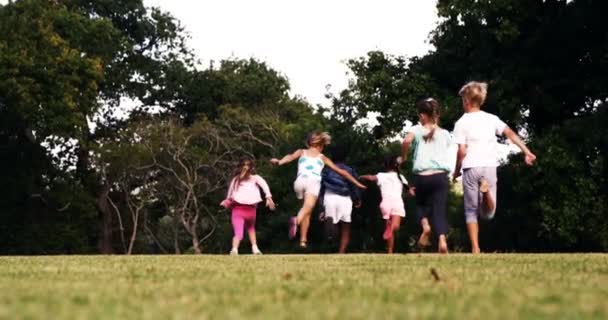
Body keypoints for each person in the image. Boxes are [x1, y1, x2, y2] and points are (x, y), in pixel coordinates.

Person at [453, 81, 537, 254]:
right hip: (489, 167)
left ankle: (476, 248)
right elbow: (511, 134)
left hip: (470, 168)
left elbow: (461, 151)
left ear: (467, 101)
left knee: (471, 211)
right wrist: (527, 152)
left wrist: (456, 171)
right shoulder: (491, 119)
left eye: (462, 100)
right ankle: (485, 193)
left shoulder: (461, 123)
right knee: (489, 214)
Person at [270, 131, 366, 248]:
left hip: (299, 182)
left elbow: (289, 157)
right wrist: (357, 183)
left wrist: (279, 162)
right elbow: (343, 172)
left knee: (307, 210)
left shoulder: (301, 152)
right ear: (321, 145)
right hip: (312, 182)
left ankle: (303, 240)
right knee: (306, 209)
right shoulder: (322, 157)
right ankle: (296, 220)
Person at [400, 98, 453, 254]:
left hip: (422, 176)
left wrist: (403, 157)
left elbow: (406, 141)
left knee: (421, 205)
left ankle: (426, 227)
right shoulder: (444, 133)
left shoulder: (416, 129)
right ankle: (442, 240)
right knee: (439, 210)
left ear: (423, 115)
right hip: (440, 177)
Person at [220, 158, 275, 255]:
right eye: (244, 165)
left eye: (248, 165)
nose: (246, 167)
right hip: (238, 209)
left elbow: (265, 186)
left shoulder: (255, 178)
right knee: (239, 233)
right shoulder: (236, 180)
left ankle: (255, 249)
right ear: (240, 167)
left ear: (251, 167)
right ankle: (234, 249)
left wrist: (268, 197)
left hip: (251, 210)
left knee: (251, 229)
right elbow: (231, 192)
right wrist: (227, 201)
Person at [318, 146, 361, 253]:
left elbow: (321, 189)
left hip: (329, 197)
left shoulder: (326, 171)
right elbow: (353, 186)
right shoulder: (349, 170)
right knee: (345, 226)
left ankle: (331, 229)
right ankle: (341, 252)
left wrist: (321, 208)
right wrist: (357, 199)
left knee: (332, 221)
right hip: (345, 199)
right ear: (345, 158)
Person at [361, 156, 409, 254]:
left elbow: (371, 178)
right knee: (395, 227)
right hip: (397, 202)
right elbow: (409, 190)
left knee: (389, 227)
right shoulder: (401, 177)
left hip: (385, 203)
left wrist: (361, 176)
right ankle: (391, 228)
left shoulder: (381, 175)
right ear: (398, 167)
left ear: (386, 166)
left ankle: (390, 251)